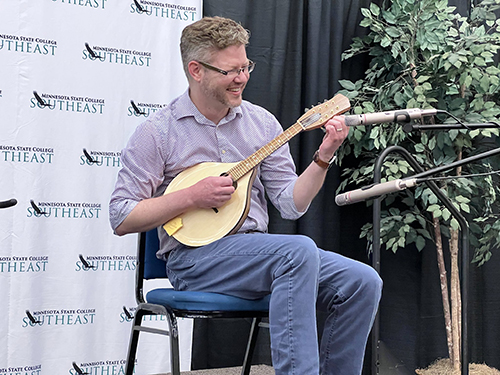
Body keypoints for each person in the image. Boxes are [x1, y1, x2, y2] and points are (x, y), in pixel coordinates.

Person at [109, 16, 382, 375]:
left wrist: (324, 154)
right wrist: (192, 196)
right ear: (196, 70)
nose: (242, 78)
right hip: (194, 260)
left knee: (361, 282)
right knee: (298, 251)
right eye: (230, 71)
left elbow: (291, 203)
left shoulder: (263, 124)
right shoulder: (159, 132)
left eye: (245, 67)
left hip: (257, 254)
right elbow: (121, 216)